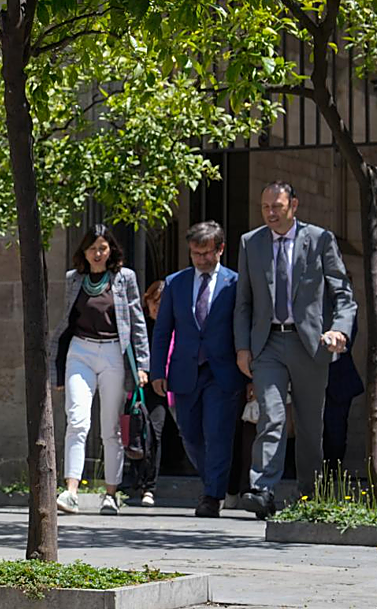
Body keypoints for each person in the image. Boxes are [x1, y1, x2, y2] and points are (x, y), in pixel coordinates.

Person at [234, 181, 356, 518]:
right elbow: (243, 301)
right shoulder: (250, 243)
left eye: (277, 207)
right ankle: (263, 489)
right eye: (265, 208)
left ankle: (310, 493)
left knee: (308, 425)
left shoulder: (319, 240)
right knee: (271, 416)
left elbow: (343, 293)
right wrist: (242, 347)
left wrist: (339, 329)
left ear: (294, 206)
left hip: (310, 344)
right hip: (268, 342)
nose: (271, 213)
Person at [49, 225, 150, 516]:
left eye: (102, 248)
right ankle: (70, 491)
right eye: (92, 248)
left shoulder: (123, 278)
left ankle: (111, 492)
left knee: (111, 428)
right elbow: (66, 320)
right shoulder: (74, 279)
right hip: (80, 350)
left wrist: (142, 365)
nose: (97, 253)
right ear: (83, 251)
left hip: (113, 352)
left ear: (111, 251)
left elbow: (137, 321)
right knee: (77, 419)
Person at [150, 222, 247, 518]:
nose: (201, 259)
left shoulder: (236, 283)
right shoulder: (176, 283)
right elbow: (163, 330)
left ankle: (212, 496)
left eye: (207, 253)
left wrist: (249, 369)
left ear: (220, 250)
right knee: (190, 434)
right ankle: (218, 481)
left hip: (223, 371)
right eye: (196, 254)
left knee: (218, 433)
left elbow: (243, 327)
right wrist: (157, 370)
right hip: (185, 371)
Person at [134, 279, 176, 507]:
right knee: (136, 432)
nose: (157, 308)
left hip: (163, 386)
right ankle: (135, 480)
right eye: (154, 303)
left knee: (155, 433)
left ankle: (149, 486)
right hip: (140, 386)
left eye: (162, 304)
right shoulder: (140, 326)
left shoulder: (174, 325)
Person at [323, 307, 363, 472]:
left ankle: (331, 479)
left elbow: (347, 338)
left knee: (335, 434)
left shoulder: (345, 305)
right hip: (305, 377)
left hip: (337, 380)